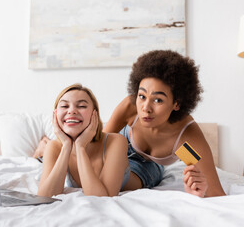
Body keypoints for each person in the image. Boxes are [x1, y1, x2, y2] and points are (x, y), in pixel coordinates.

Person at [103, 50, 225, 197]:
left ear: (177, 104)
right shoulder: (130, 108)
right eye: (142, 96)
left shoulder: (185, 136)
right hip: (117, 146)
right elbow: (98, 145)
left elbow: (215, 192)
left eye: (158, 100)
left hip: (146, 166)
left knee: (115, 181)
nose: (145, 108)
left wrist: (200, 191)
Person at [37, 84, 130, 197]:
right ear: (55, 114)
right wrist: (66, 146)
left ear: (94, 113)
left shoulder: (117, 141)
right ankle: (39, 153)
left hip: (142, 167)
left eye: (81, 106)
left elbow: (102, 198)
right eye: (64, 106)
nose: (71, 111)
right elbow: (44, 196)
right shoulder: (54, 147)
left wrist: (80, 147)